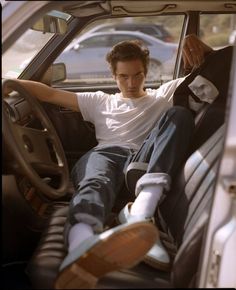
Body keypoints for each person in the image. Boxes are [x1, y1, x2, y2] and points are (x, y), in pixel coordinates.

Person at [4, 34, 213, 289]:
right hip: (106, 154)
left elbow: (217, 70)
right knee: (97, 179)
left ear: (145, 72)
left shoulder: (163, 94)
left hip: (140, 163)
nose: (131, 82)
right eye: (124, 76)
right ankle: (82, 246)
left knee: (179, 114)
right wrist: (9, 83)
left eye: (137, 75)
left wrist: (204, 47)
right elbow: (48, 94)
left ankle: (141, 212)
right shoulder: (101, 100)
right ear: (114, 76)